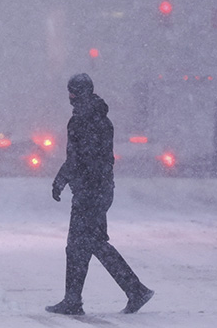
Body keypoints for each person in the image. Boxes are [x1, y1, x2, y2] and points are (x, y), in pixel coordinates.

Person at [48, 73, 154, 316]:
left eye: (72, 92)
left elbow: (78, 157)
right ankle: (76, 298)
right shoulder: (100, 118)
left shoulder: (83, 120)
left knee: (84, 244)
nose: (70, 97)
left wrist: (62, 180)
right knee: (85, 244)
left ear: (79, 93)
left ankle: (132, 290)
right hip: (100, 189)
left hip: (89, 192)